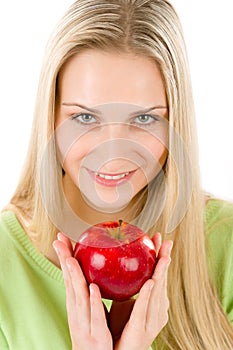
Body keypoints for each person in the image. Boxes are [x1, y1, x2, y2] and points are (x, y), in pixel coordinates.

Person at [0, 0, 233, 349]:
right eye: (85, 118)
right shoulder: (6, 261)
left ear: (175, 123)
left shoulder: (225, 243)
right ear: (50, 118)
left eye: (144, 119)